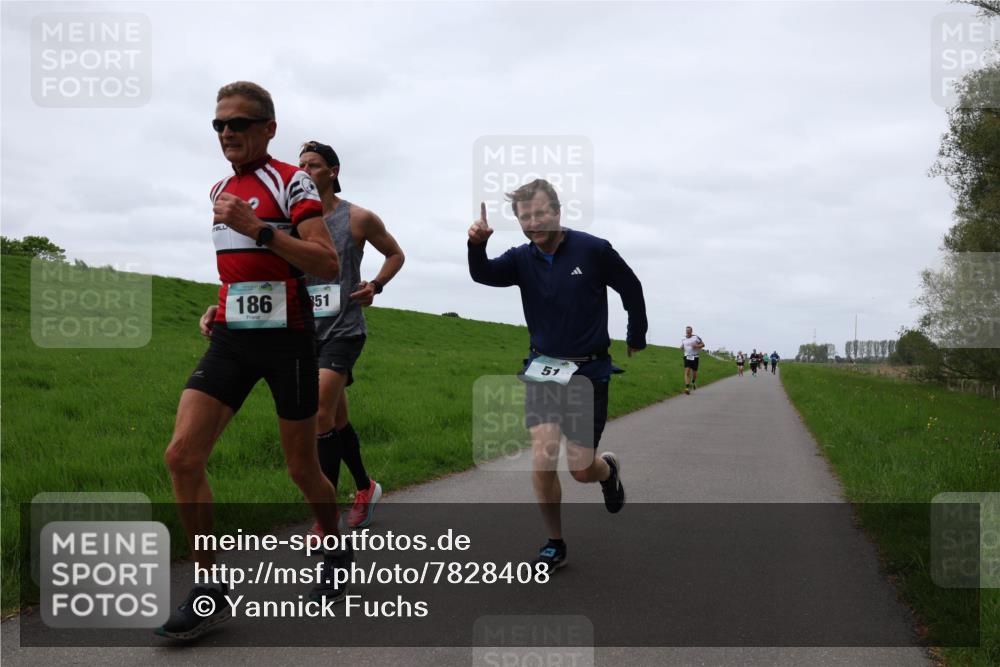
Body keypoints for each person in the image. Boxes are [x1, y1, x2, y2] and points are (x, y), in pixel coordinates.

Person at [159, 82, 351, 640]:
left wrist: (260, 230)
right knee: (182, 457)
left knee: (301, 468)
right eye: (219, 125)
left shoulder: (292, 181)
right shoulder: (219, 187)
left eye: (239, 124)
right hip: (232, 339)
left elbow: (325, 261)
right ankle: (209, 587)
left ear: (268, 128)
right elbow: (237, 271)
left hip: (289, 341)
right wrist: (217, 308)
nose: (227, 134)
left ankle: (333, 546)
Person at [467, 178, 647, 571]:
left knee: (581, 469)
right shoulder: (520, 258)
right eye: (525, 216)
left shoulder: (593, 249)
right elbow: (483, 275)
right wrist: (476, 244)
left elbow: (630, 287)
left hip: (589, 370)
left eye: (541, 213)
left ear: (558, 211)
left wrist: (637, 334)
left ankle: (607, 470)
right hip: (544, 369)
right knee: (543, 455)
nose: (534, 222)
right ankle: (554, 542)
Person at [298, 140, 405, 530]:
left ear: (332, 172)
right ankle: (365, 486)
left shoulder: (358, 218)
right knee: (336, 420)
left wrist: (375, 285)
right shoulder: (294, 220)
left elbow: (395, 253)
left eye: (312, 165)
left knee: (319, 415)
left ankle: (324, 520)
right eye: (301, 166)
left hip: (344, 328)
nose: (304, 171)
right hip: (306, 330)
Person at [680, 326, 704, 394]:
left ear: (691, 332)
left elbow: (703, 344)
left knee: (695, 373)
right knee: (687, 372)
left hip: (695, 357)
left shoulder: (696, 337)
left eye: (689, 331)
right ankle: (687, 388)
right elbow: (684, 344)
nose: (688, 333)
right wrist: (682, 346)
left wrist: (696, 346)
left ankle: (693, 382)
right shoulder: (683, 338)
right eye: (687, 331)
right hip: (687, 356)